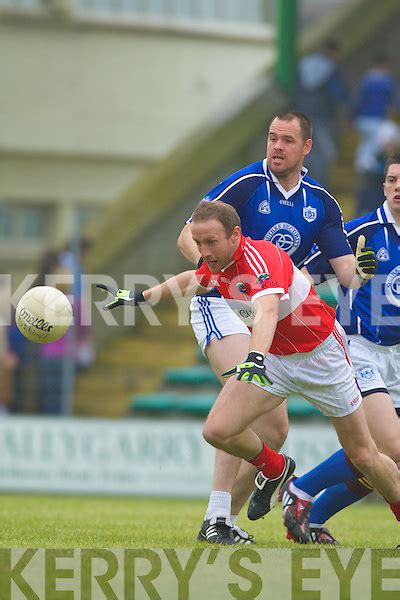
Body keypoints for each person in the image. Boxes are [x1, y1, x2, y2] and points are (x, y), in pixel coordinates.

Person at [97, 200, 400, 545]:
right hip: (275, 359)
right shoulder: (218, 263)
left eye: (211, 242)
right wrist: (139, 296)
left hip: (322, 359)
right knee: (218, 430)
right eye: (198, 243)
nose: (204, 251)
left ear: (235, 234)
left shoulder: (262, 258)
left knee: (365, 456)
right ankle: (275, 469)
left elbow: (267, 310)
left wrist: (254, 357)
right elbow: (193, 281)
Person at [176, 110, 377, 545]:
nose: (276, 147)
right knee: (236, 387)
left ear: (307, 146)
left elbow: (347, 274)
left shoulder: (321, 201)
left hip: (274, 311)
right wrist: (222, 276)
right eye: (271, 138)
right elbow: (186, 237)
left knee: (274, 430)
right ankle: (216, 516)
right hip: (223, 302)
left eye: (287, 140)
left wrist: (362, 273)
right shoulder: (246, 185)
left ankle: (232, 514)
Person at [280, 153, 400, 544]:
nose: (397, 188)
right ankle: (301, 488)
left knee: (385, 461)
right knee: (390, 447)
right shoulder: (361, 230)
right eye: (391, 180)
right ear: (383, 186)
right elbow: (301, 275)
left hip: (397, 357)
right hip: (361, 349)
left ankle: (309, 512)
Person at [293, 39, 347, 186]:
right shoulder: (332, 69)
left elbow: (295, 90)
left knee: (304, 151)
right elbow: (339, 93)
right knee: (326, 153)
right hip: (324, 117)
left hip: (303, 116)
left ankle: (302, 184)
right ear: (334, 53)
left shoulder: (304, 65)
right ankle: (320, 186)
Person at [352, 54, 399, 177]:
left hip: (362, 118)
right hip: (377, 117)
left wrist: (351, 117)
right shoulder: (387, 81)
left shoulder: (366, 79)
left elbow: (357, 99)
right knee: (376, 141)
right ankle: (366, 165)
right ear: (384, 66)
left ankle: (362, 164)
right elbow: (394, 99)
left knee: (366, 141)